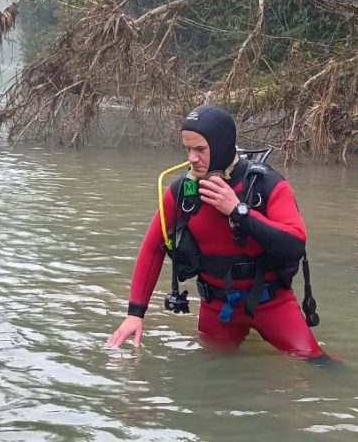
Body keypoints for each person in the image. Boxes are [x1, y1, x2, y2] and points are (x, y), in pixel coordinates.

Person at [107, 104, 324, 358]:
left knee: (315, 363)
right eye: (188, 149)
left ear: (221, 146)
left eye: (200, 149)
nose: (191, 158)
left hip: (271, 303)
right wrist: (135, 314)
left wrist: (237, 210)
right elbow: (152, 249)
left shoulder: (266, 185)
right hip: (217, 307)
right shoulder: (181, 194)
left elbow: (295, 244)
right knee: (214, 378)